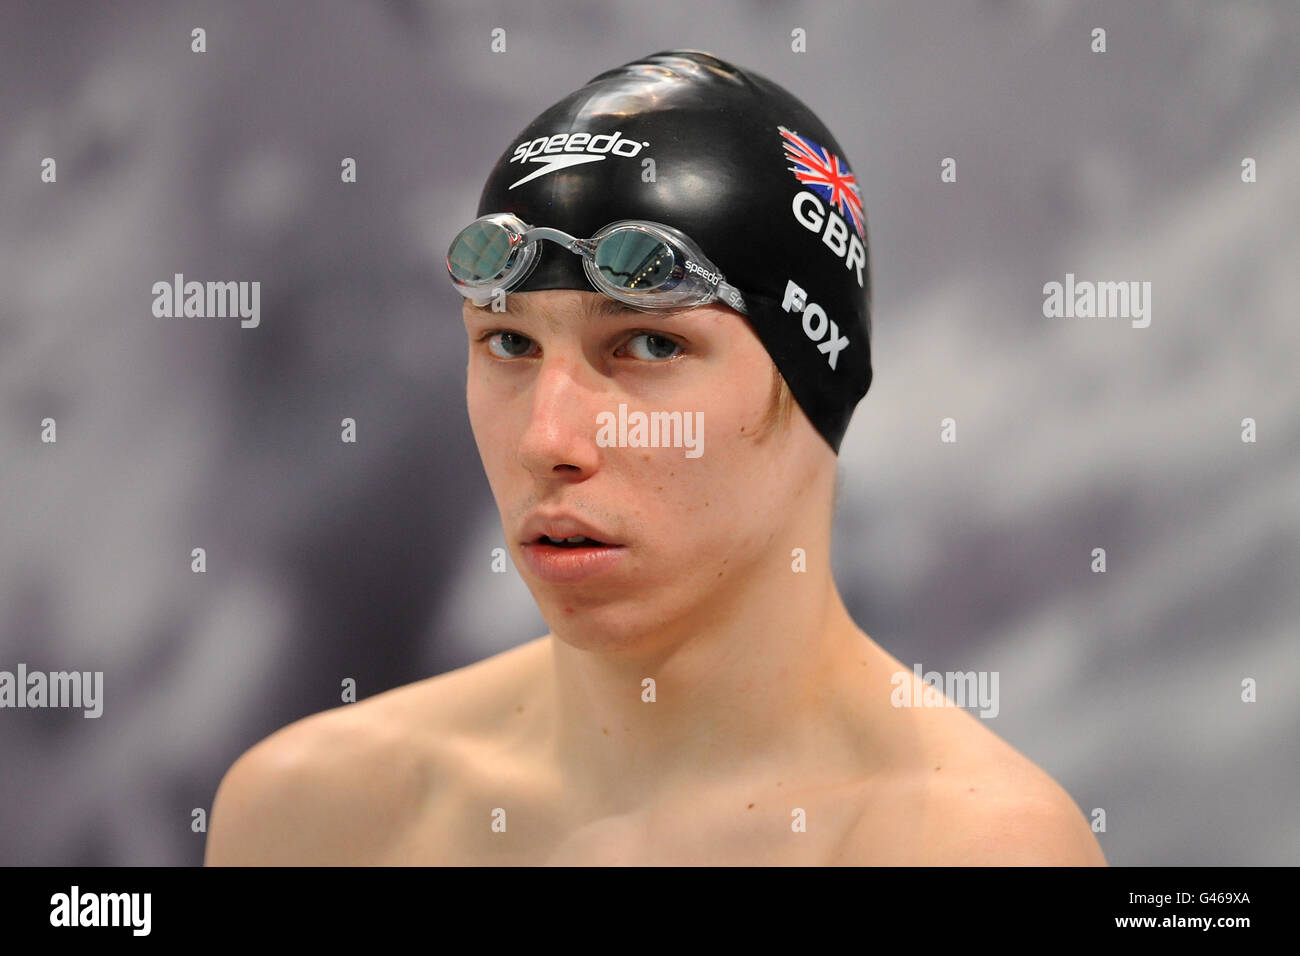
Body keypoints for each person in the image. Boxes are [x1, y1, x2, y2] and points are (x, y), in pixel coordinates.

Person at [205, 50, 1105, 866]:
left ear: (814, 382)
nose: (547, 441)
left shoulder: (971, 850)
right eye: (510, 345)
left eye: (648, 346)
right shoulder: (310, 819)